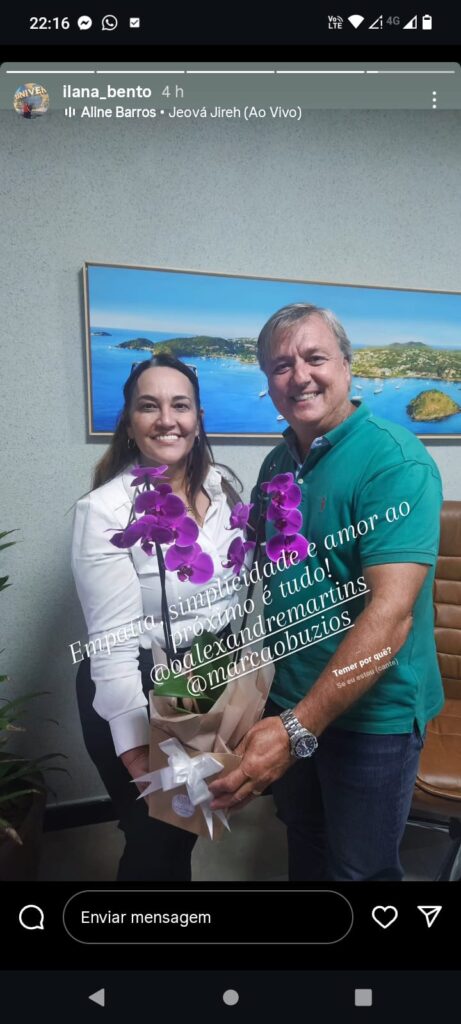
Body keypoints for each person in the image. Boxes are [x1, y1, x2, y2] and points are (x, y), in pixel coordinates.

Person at [209, 302, 444, 881]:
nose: (300, 376)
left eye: (315, 358)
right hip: (288, 697)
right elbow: (260, 573)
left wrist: (297, 729)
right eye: (281, 366)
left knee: (360, 872)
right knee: (307, 847)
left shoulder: (395, 461)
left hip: (373, 718)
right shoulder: (276, 463)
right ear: (267, 381)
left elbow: (391, 615)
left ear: (347, 365)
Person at [72, 354, 243, 881]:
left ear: (198, 418)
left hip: (207, 676)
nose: (167, 420)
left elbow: (230, 593)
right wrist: (135, 753)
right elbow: (112, 643)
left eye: (180, 405)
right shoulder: (106, 510)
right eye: (149, 406)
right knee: (154, 840)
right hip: (138, 683)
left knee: (184, 830)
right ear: (129, 422)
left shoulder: (223, 487)